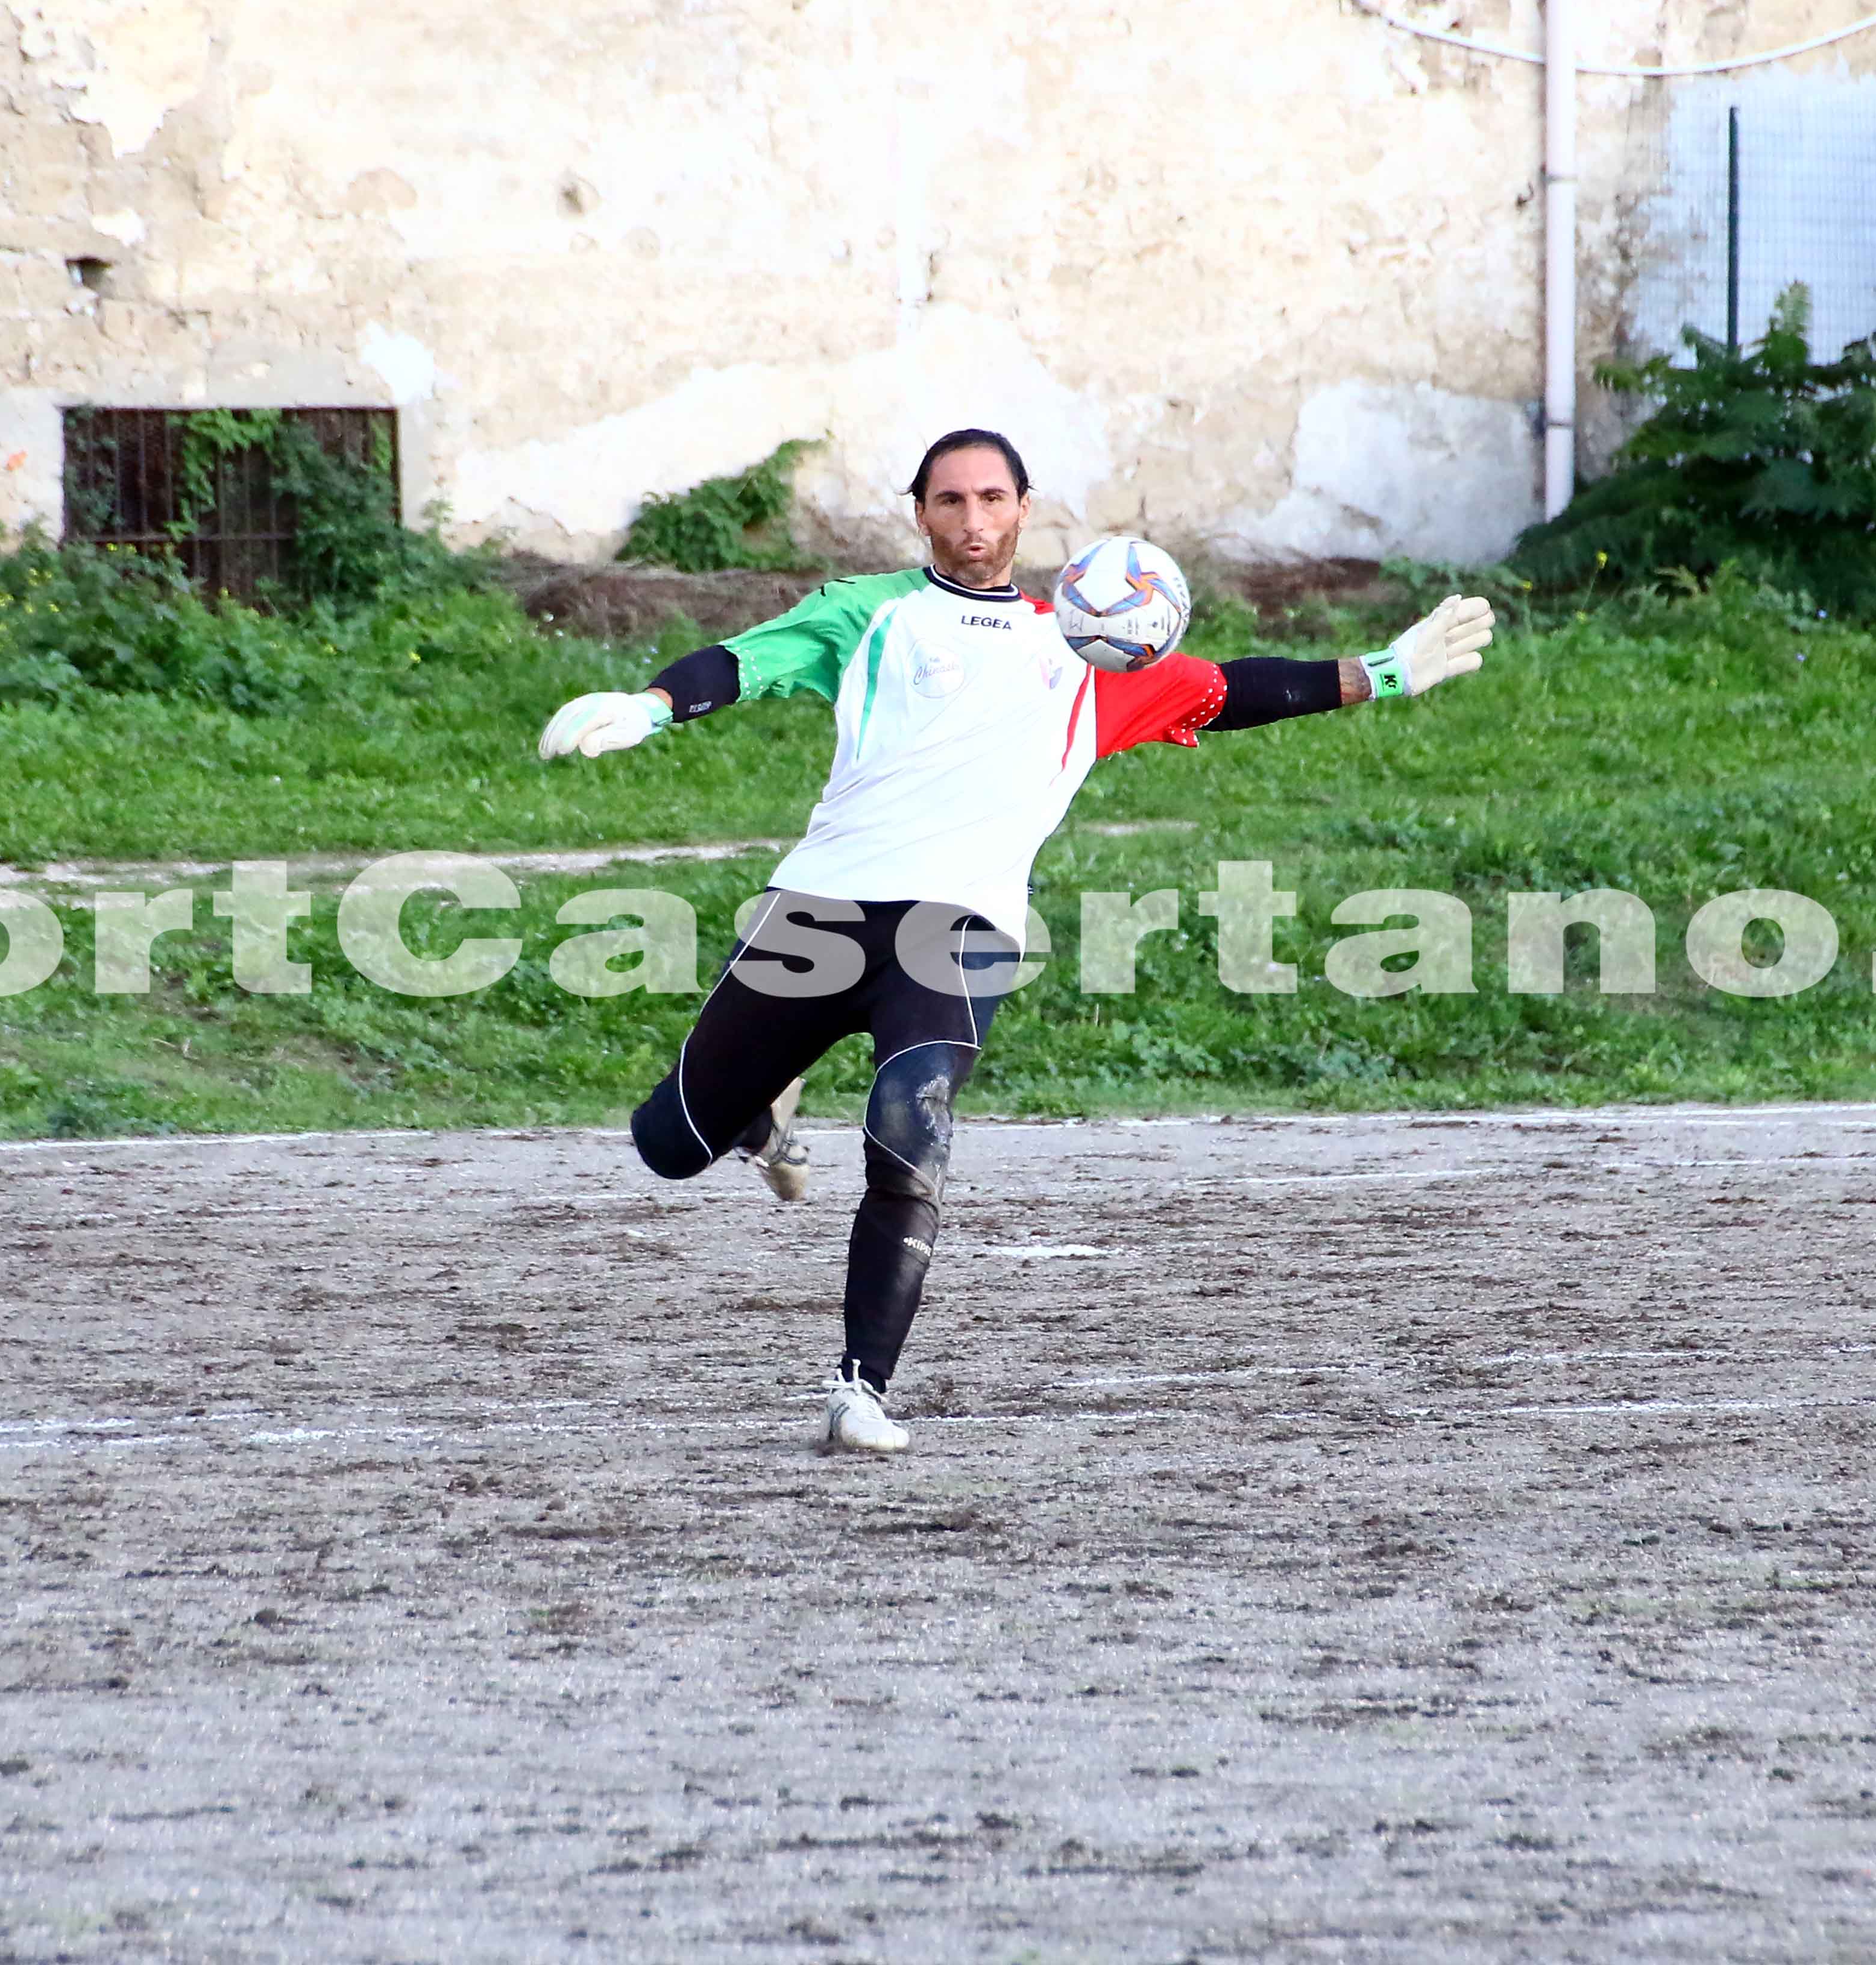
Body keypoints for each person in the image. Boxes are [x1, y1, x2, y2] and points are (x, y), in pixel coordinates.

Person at [534, 428, 1496, 1455]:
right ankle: (758, 1122)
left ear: (1026, 511)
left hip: (961, 923)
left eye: (993, 498)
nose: (974, 520)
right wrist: (649, 707)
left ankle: (860, 1390)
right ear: (922, 514)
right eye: (951, 501)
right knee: (668, 1144)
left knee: (912, 1117)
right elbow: (746, 661)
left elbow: (1238, 690)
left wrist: (1387, 671)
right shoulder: (871, 615)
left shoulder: (1088, 650)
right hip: (820, 908)